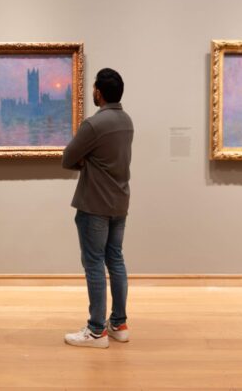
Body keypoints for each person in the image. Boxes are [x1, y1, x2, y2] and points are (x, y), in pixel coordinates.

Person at [61, 68, 134, 348]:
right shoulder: (126, 121)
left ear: (98, 93)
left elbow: (68, 158)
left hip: (94, 204)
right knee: (115, 260)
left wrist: (85, 161)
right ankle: (119, 323)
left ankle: (96, 330)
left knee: (93, 264)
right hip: (120, 201)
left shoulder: (93, 124)